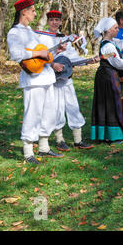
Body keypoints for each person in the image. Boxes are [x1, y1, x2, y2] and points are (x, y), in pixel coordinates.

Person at [7, 0, 64, 165]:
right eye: (32, 10)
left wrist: (55, 50)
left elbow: (41, 52)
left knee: (49, 113)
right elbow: (17, 54)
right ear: (23, 11)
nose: (34, 13)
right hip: (33, 80)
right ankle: (27, 151)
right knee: (33, 114)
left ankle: (44, 147)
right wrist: (39, 54)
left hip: (46, 77)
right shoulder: (15, 32)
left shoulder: (31, 31)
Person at [45, 10, 95, 151]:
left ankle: (78, 140)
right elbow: (41, 58)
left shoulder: (65, 38)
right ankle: (60, 140)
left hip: (67, 79)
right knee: (57, 109)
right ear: (48, 22)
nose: (54, 22)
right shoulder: (43, 38)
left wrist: (87, 61)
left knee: (73, 107)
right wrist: (55, 57)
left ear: (61, 22)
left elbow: (72, 58)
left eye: (57, 20)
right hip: (53, 80)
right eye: (52, 20)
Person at [90, 18, 123, 144]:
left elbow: (122, 44)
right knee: (111, 104)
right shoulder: (108, 46)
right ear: (108, 30)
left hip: (107, 76)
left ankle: (105, 134)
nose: (117, 30)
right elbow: (117, 62)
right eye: (115, 28)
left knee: (108, 103)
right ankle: (112, 136)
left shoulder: (111, 42)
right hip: (107, 77)